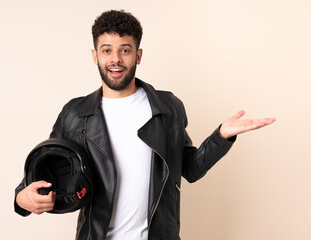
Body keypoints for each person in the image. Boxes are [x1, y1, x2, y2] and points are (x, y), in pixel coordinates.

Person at [14, 10, 276, 240]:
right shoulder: (75, 113)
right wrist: (21, 199)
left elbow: (191, 169)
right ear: (95, 55)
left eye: (125, 50)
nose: (115, 58)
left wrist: (221, 137)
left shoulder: (167, 107)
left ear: (138, 55)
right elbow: (46, 169)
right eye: (107, 50)